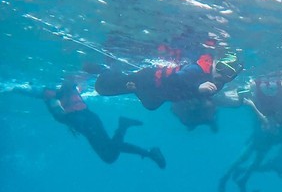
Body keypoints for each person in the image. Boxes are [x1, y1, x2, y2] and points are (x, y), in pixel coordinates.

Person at [13, 80, 166, 168]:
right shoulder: (63, 92)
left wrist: (16, 88)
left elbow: (40, 93)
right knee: (109, 153)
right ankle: (130, 132)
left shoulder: (57, 92)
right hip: (87, 121)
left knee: (109, 153)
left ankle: (143, 146)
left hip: (86, 122)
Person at [92, 52, 243, 111]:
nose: (223, 76)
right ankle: (102, 69)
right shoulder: (196, 70)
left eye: (230, 75)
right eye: (222, 68)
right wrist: (197, 89)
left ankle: (119, 74)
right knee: (103, 88)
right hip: (147, 80)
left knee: (151, 105)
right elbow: (172, 80)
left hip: (156, 94)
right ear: (215, 63)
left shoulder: (218, 81)